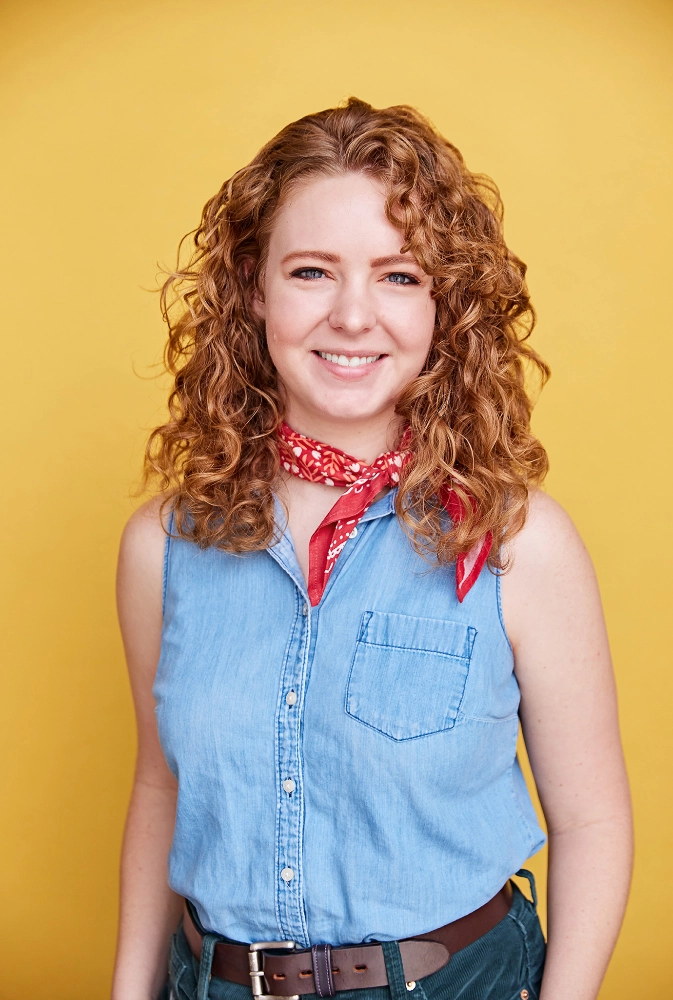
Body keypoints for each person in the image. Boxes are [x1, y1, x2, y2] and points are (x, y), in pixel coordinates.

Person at [111, 98, 632, 1000]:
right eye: (312, 271)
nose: (354, 316)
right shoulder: (163, 547)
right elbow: (163, 789)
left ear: (443, 304)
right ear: (253, 288)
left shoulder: (517, 542)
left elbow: (590, 820)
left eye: (397, 277)